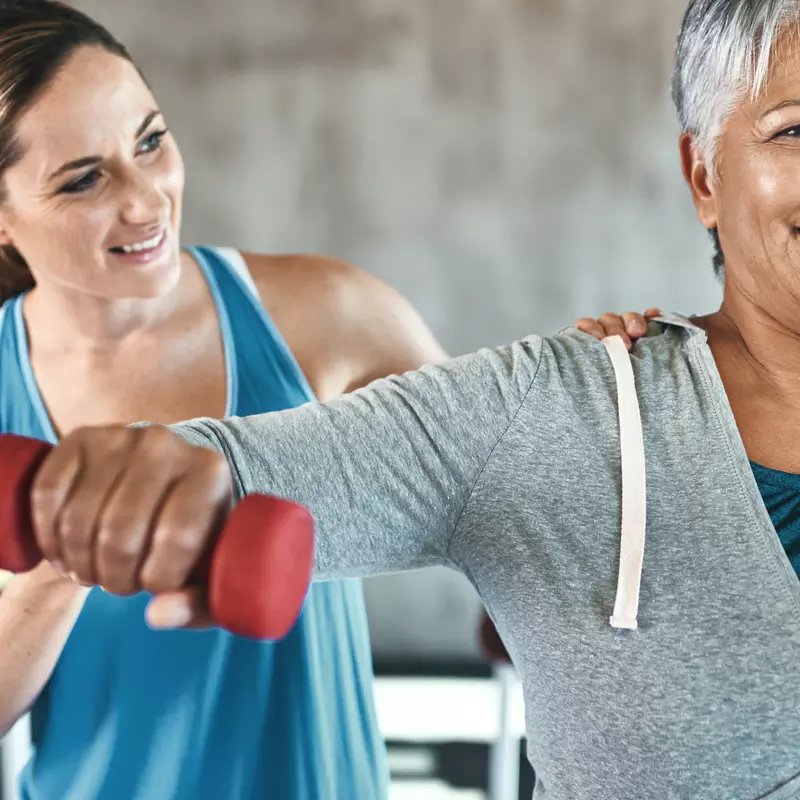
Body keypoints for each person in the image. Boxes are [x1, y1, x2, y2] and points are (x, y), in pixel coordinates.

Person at [25, 1, 800, 797]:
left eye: (150, 141)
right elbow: (246, 469)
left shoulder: (331, 307)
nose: (142, 199)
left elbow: (512, 567)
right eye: (795, 130)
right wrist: (116, 501)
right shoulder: (562, 408)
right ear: (704, 175)